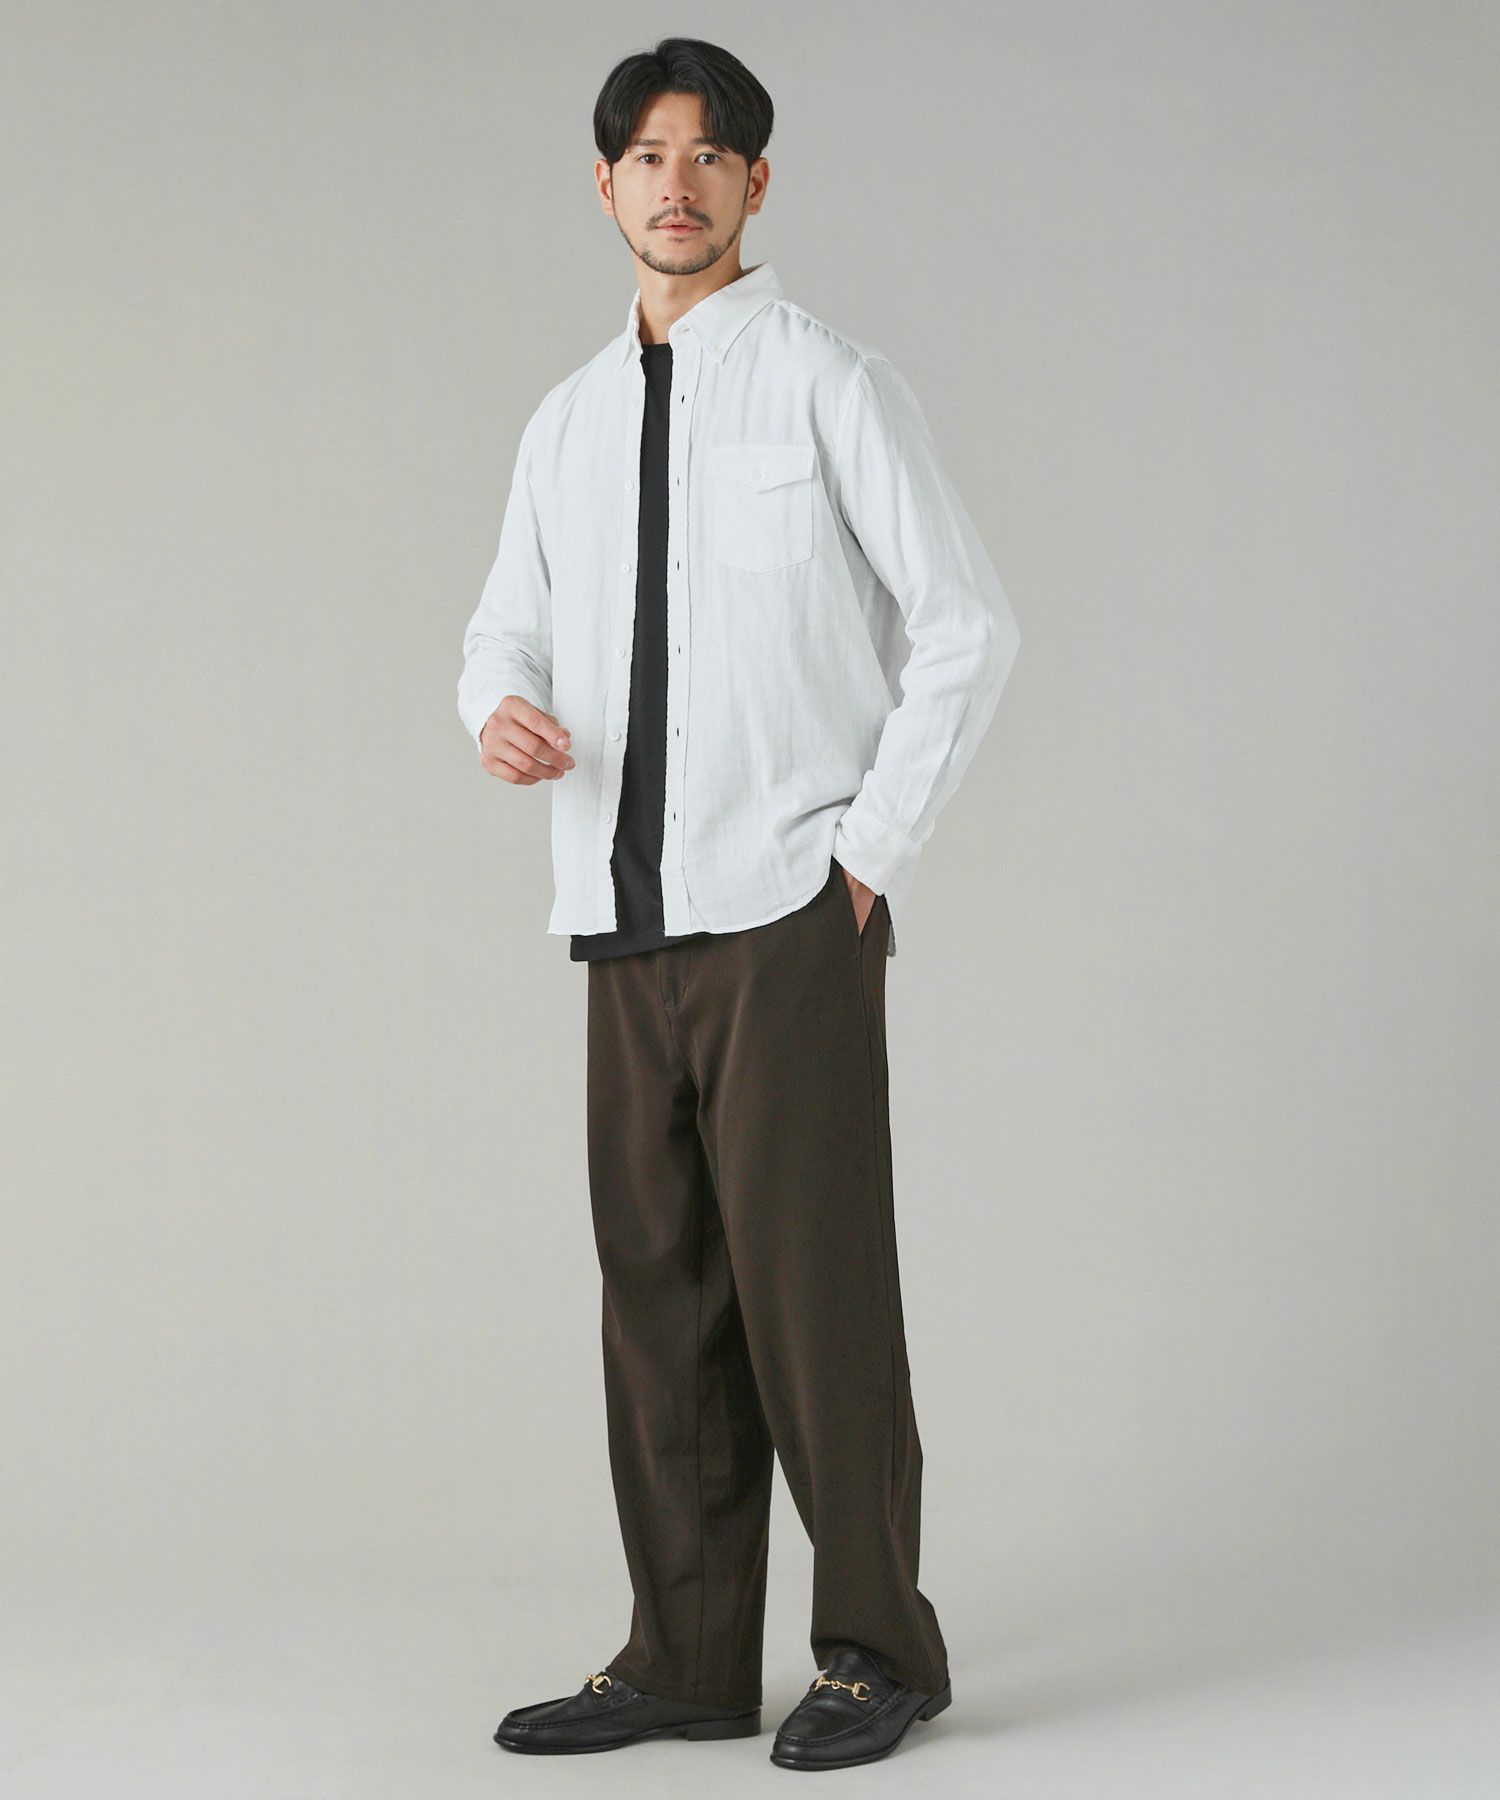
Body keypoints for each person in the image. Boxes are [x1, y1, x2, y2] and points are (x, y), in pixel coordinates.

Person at [459, 36, 1020, 1771]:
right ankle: (689, 1658)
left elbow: (968, 624)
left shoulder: (830, 383)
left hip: (787, 907)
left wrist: (867, 859)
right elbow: (502, 629)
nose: (677, 183)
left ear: (757, 184)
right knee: (660, 1303)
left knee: (814, 1295)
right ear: (605, 186)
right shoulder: (562, 422)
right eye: (646, 155)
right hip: (620, 916)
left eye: (710, 155)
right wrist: (495, 708)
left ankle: (876, 1651)